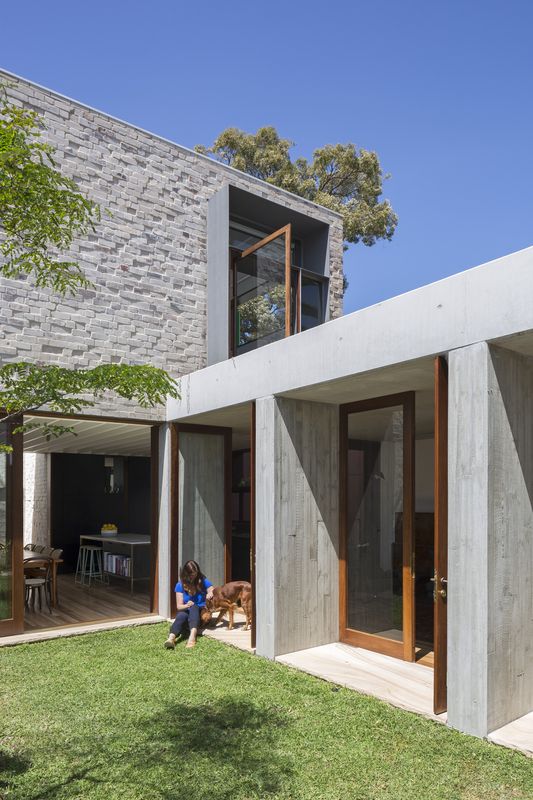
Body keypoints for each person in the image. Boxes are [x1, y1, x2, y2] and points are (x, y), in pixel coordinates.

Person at [164, 560, 214, 649]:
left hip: (201, 614)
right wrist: (187, 605)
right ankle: (171, 638)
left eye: (195, 573)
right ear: (186, 574)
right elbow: (179, 606)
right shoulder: (180, 585)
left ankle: (192, 636)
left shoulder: (201, 580)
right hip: (187, 615)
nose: (194, 576)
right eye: (191, 574)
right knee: (181, 615)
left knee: (194, 606)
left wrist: (210, 593)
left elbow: (212, 589)